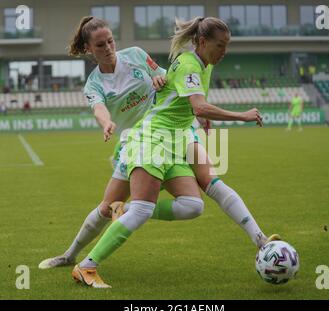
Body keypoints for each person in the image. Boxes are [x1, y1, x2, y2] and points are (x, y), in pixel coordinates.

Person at [64, 16, 279, 288]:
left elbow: (168, 77)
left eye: (110, 40)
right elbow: (99, 107)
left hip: (174, 134)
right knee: (120, 208)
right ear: (88, 48)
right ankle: (83, 264)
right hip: (147, 137)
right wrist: (107, 122)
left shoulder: (151, 57)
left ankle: (260, 240)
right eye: (100, 44)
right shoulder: (96, 83)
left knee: (194, 203)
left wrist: (165, 83)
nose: (108, 47)